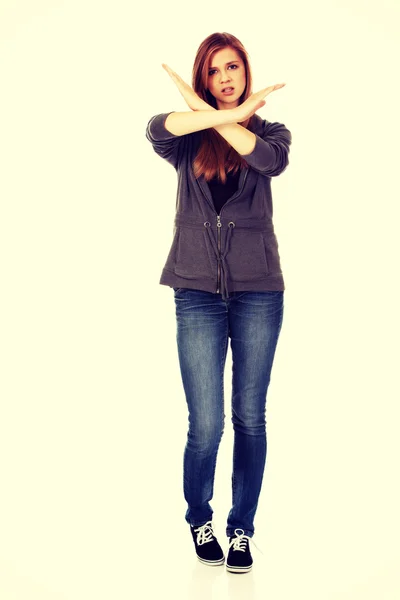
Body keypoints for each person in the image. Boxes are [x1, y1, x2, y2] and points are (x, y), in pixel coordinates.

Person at [145, 32, 292, 574]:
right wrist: (207, 113)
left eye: (233, 68)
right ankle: (199, 515)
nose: (225, 78)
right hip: (196, 291)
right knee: (205, 423)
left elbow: (268, 161)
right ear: (203, 79)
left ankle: (243, 530)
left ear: (245, 71)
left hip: (258, 291)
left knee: (249, 417)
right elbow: (160, 127)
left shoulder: (272, 132)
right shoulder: (186, 140)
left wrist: (234, 115)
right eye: (213, 71)